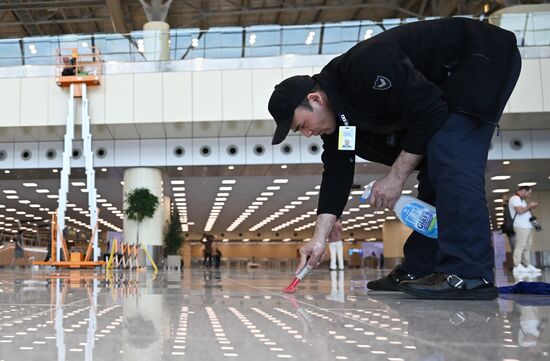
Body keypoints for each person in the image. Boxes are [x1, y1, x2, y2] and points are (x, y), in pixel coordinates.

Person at [268, 17, 521, 300]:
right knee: (435, 164)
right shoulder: (341, 124)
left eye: (302, 125)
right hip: (444, 88)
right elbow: (338, 173)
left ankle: (469, 274)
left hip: (479, 56)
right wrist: (318, 238)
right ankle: (421, 267)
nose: (307, 134)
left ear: (315, 99)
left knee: (450, 152)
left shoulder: (364, 67)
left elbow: (430, 111)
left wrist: (396, 177)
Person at [509, 186, 541, 275]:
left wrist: (529, 207)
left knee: (527, 246)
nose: (529, 195)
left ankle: (527, 265)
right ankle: (517, 265)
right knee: (520, 245)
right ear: (522, 190)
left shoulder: (521, 200)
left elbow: (524, 210)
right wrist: (529, 206)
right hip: (521, 226)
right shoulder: (515, 198)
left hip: (527, 226)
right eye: (528, 193)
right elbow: (519, 211)